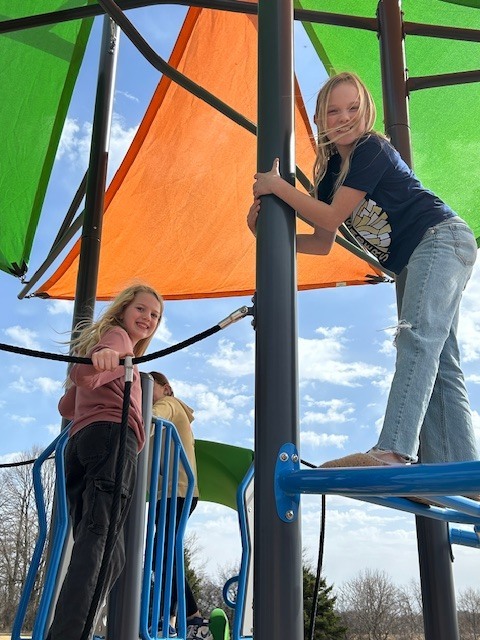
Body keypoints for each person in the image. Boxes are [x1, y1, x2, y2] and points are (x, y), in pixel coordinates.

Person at [248, 71, 478, 468]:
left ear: (366, 110)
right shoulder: (328, 178)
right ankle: (455, 469)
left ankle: (393, 450)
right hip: (413, 258)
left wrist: (277, 187)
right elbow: (322, 242)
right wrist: (263, 235)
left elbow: (334, 214)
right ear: (319, 120)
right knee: (440, 358)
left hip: (440, 238)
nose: (344, 118)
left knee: (418, 341)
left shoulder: (372, 148)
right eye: (333, 111)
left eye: (353, 108)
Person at [49, 284, 163, 640]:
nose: (148, 318)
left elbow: (67, 405)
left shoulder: (121, 358)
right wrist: (102, 359)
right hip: (112, 440)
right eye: (142, 309)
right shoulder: (118, 340)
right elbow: (85, 374)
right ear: (124, 309)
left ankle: (75, 627)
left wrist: (98, 369)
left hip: (82, 444)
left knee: (108, 552)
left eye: (155, 315)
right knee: (100, 542)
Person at [149, 372, 212, 640]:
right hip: (170, 492)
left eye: (147, 388)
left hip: (176, 491)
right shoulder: (173, 411)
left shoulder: (170, 404)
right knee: (163, 554)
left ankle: (190, 617)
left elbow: (148, 420)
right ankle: (171, 617)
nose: (143, 393)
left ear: (166, 388)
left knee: (161, 553)